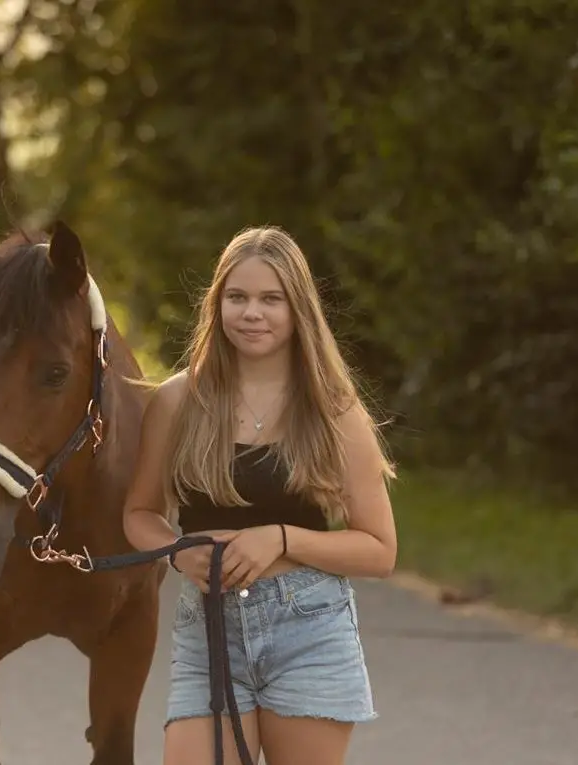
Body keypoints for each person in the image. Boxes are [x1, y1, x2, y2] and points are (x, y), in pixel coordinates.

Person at [122, 224, 398, 765]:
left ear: (298, 311)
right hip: (209, 629)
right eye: (238, 297)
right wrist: (178, 551)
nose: (253, 313)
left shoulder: (334, 412)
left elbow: (380, 551)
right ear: (216, 305)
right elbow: (140, 513)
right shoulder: (178, 400)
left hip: (308, 632)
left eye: (271, 299)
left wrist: (279, 539)